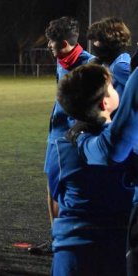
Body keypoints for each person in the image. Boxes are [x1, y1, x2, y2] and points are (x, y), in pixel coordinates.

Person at [51, 63, 135, 275]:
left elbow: (56, 195)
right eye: (113, 87)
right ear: (104, 102)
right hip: (115, 249)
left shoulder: (61, 146)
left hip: (70, 252)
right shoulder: (128, 147)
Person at [29, 16, 93, 255]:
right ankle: (57, 240)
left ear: (64, 43)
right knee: (52, 189)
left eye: (51, 43)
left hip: (75, 140)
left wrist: (81, 125)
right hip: (54, 137)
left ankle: (72, 242)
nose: (48, 46)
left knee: (74, 191)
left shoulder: (90, 66)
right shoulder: (61, 61)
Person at [87, 17, 131, 98]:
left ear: (108, 42)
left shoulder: (120, 66)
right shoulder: (107, 62)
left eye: (97, 40)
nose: (94, 44)